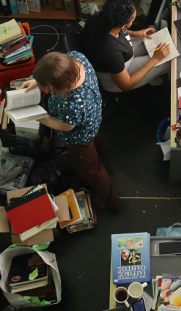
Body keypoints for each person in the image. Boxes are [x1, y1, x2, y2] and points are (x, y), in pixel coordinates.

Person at [21, 51, 119, 209]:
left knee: (91, 171)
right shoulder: (76, 58)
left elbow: (65, 125)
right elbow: (56, 70)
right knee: (94, 141)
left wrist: (38, 117)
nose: (45, 88)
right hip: (92, 120)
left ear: (58, 86)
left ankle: (111, 201)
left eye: (47, 86)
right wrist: (36, 81)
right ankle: (97, 155)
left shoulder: (72, 104)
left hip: (79, 139)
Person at [80, 0, 171, 92]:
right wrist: (155, 60)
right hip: (117, 79)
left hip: (120, 56)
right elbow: (126, 85)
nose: (132, 22)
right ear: (123, 26)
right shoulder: (110, 51)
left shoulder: (101, 17)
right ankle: (151, 76)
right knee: (170, 61)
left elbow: (119, 30)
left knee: (153, 42)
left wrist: (135, 33)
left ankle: (150, 75)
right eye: (132, 20)